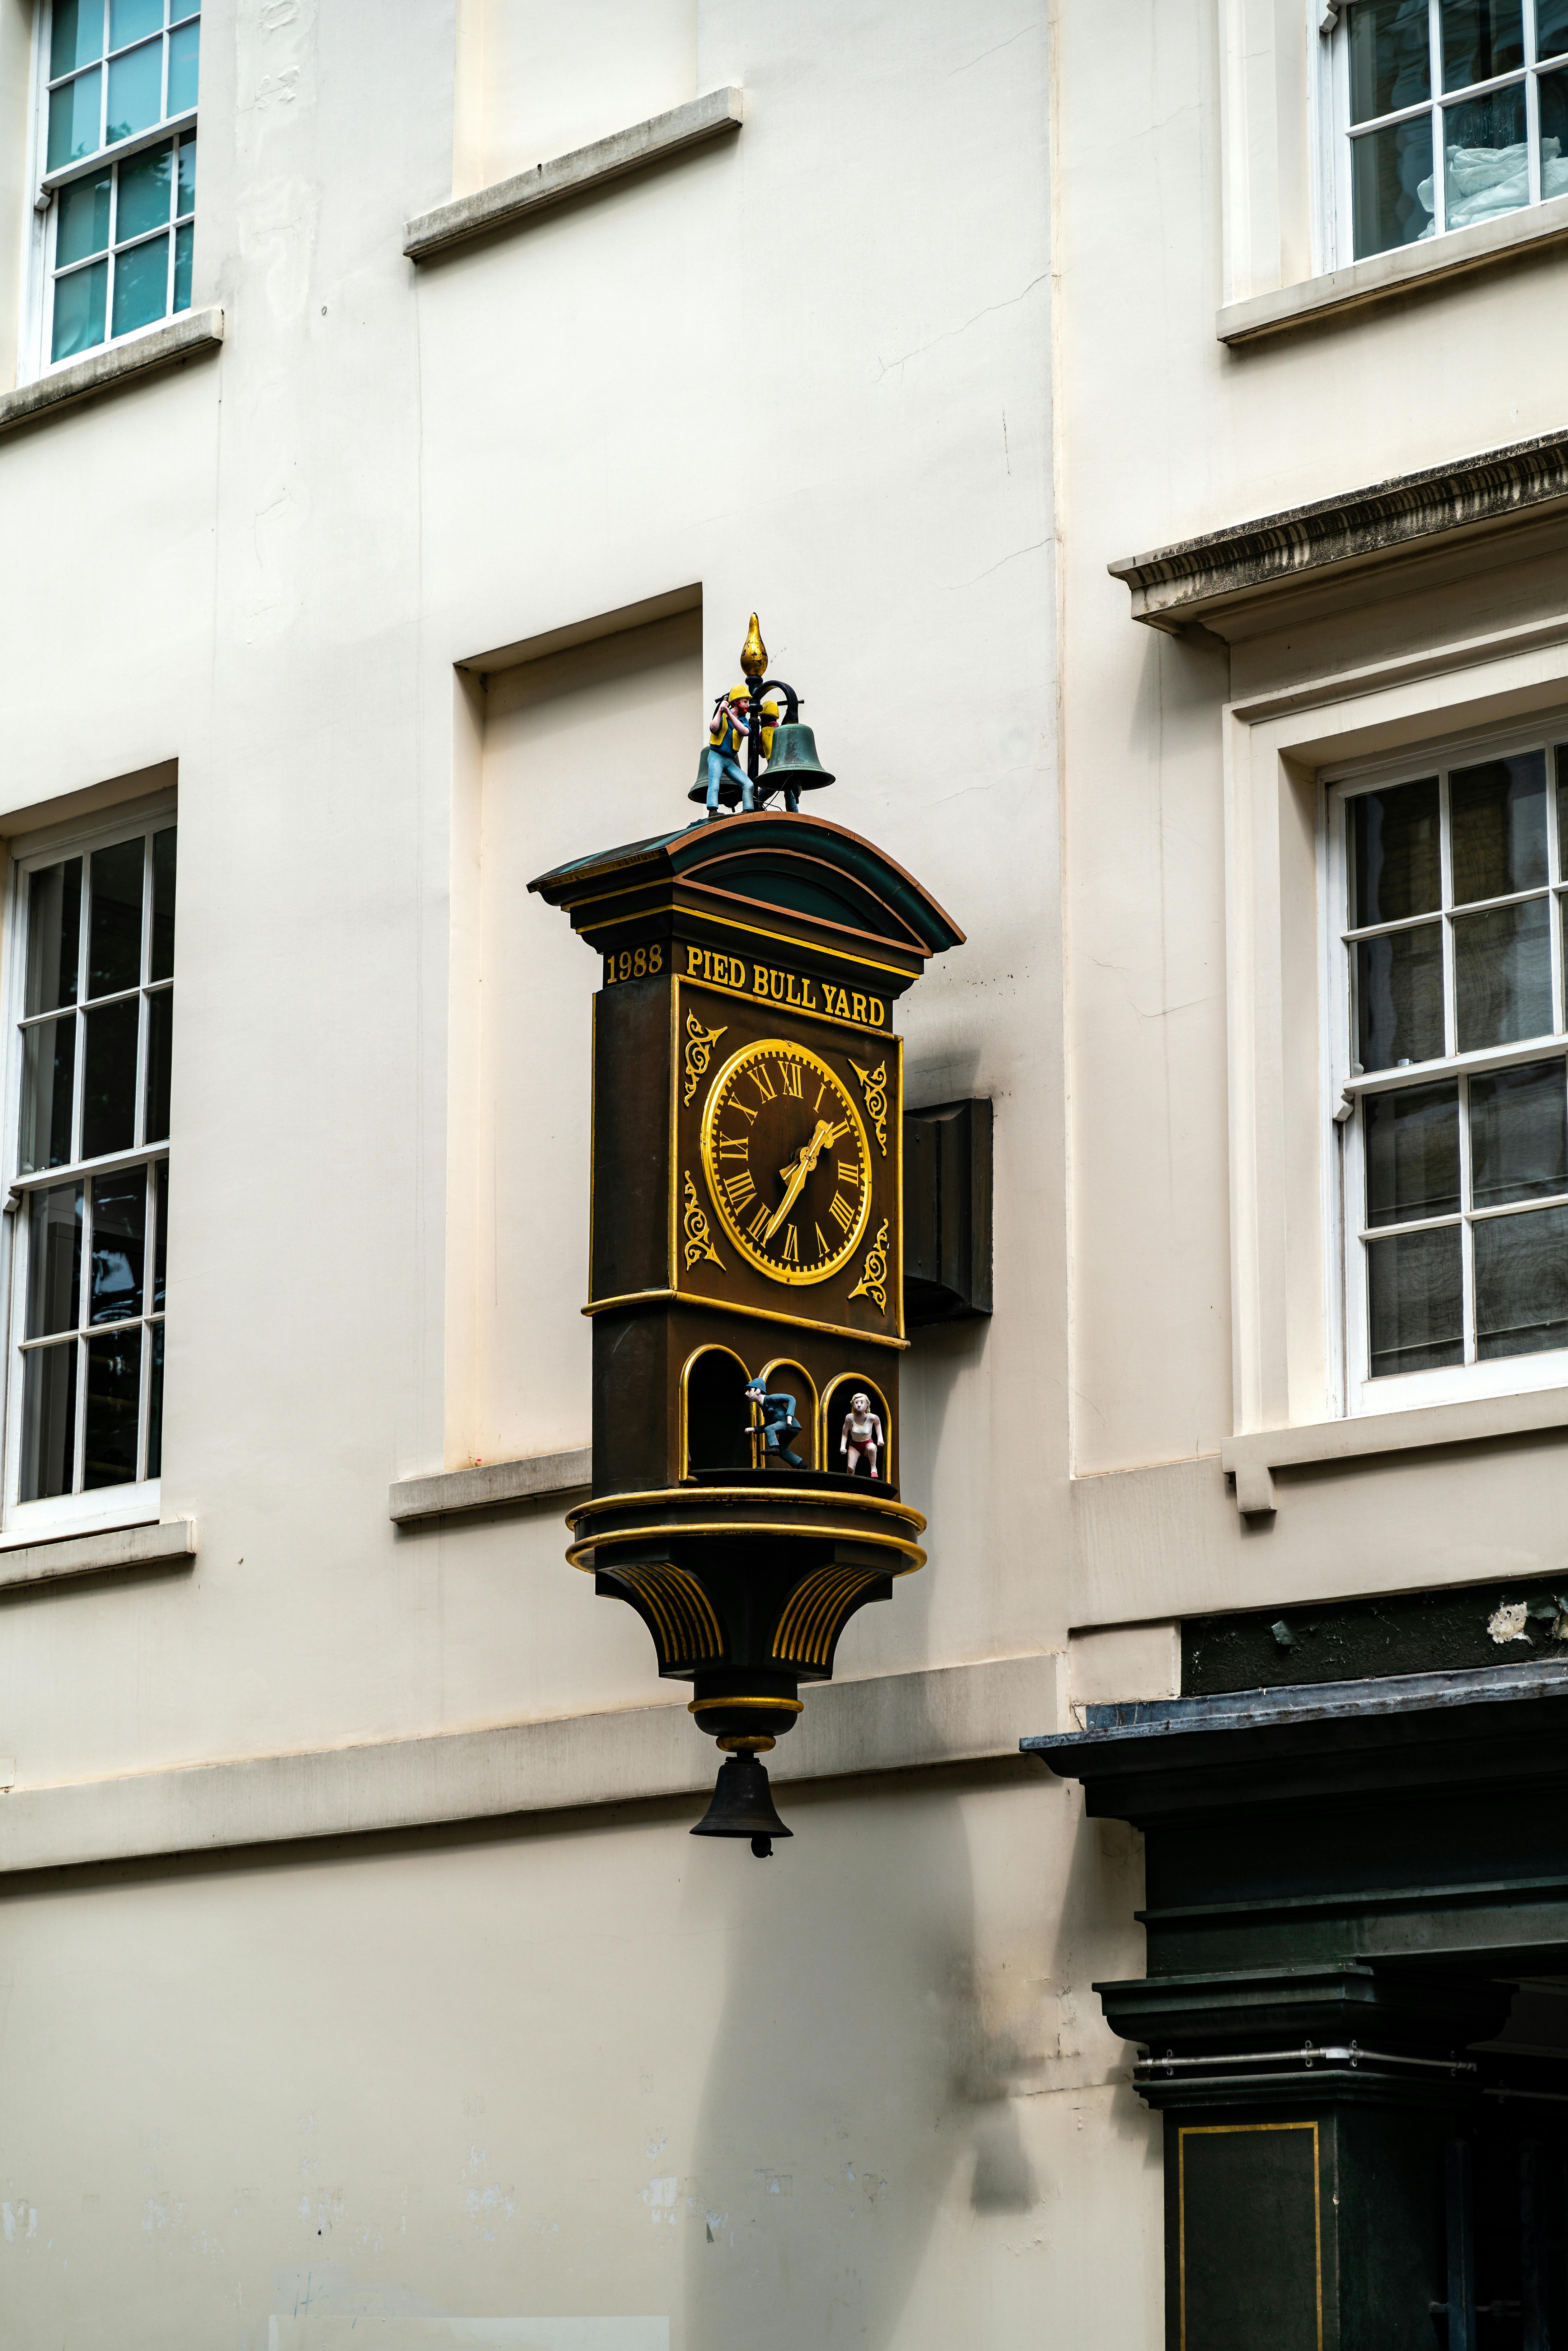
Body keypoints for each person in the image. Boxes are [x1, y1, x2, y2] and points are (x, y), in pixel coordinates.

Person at [700, 685, 781, 819]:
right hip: (716, 756)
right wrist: (721, 711)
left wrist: (729, 713)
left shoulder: (743, 721)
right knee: (714, 784)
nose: (748, 705)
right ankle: (713, 810)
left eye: (748, 702)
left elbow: (745, 732)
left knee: (748, 785)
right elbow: (713, 728)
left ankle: (748, 810)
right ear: (737, 702)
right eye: (745, 702)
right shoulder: (723, 715)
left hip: (729, 760)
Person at [744, 1381, 804, 1468]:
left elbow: (791, 1399)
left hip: (790, 1425)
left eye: (750, 1390)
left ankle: (775, 1448)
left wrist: (790, 1415)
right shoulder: (763, 1407)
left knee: (770, 1429)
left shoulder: (771, 1399)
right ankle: (801, 1465)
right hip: (785, 1428)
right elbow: (769, 1425)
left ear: (758, 1391)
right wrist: (754, 1429)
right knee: (782, 1451)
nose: (747, 1393)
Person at [839, 1393, 883, 1479]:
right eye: (857, 1403)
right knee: (851, 1469)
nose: (859, 1405)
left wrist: (880, 1439)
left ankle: (874, 1468)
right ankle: (850, 1481)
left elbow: (878, 1424)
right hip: (855, 1446)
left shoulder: (872, 1418)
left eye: (862, 1403)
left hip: (868, 1444)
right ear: (853, 1404)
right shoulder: (849, 1418)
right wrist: (843, 1446)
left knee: (872, 1448)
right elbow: (845, 1433)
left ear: (867, 1404)